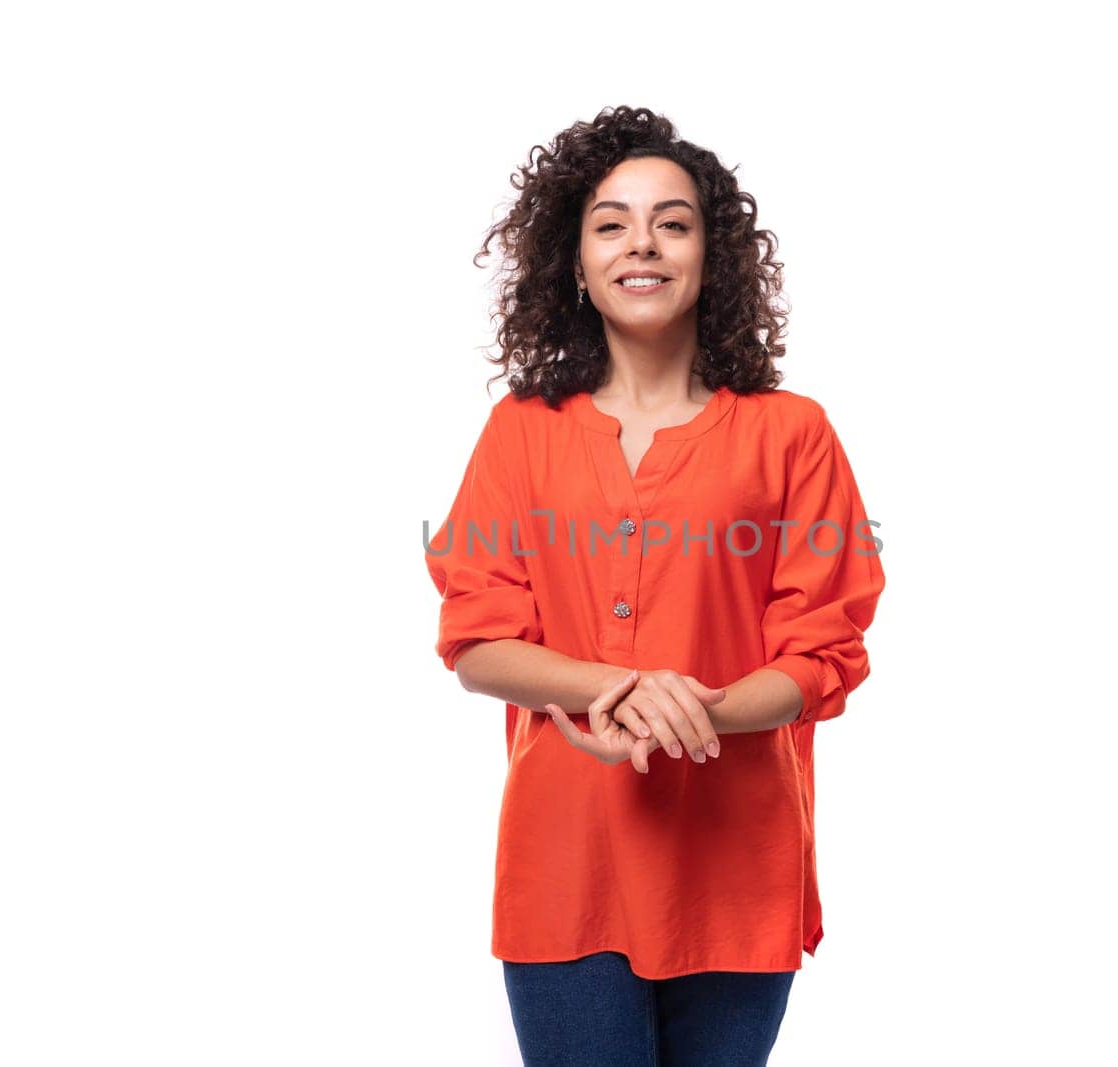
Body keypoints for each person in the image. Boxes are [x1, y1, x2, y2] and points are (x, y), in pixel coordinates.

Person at [424, 105, 886, 1066]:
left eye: (672, 222)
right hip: (565, 868)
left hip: (736, 869)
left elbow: (825, 652)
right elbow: (476, 639)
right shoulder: (521, 431)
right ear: (577, 262)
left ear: (713, 255)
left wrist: (695, 705)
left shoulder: (791, 432)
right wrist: (616, 687)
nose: (643, 244)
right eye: (611, 224)